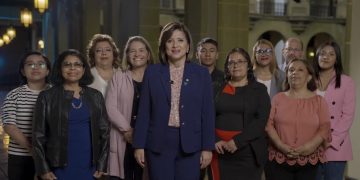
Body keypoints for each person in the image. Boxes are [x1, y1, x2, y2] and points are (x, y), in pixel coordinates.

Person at [132, 22, 215, 180]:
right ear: (164, 46)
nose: (175, 45)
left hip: (191, 144)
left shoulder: (202, 74)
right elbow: (144, 111)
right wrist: (139, 145)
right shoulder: (152, 72)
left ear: (188, 46)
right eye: (170, 41)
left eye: (180, 40)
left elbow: (207, 114)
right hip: (158, 143)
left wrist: (207, 148)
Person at [32, 49, 110, 180]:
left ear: (84, 69)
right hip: (59, 166)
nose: (72, 68)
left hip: (90, 165)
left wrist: (102, 164)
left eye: (77, 64)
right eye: (67, 64)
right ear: (60, 69)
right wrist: (43, 169)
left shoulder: (96, 96)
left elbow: (105, 133)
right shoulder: (47, 97)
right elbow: (38, 136)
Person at [265, 58, 331, 180]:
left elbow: (324, 128)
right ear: (287, 75)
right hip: (277, 160)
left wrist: (309, 147)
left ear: (309, 77)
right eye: (291, 70)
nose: (295, 73)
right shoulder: (277, 99)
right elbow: (268, 124)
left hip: (309, 162)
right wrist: (280, 146)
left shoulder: (319, 101)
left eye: (300, 70)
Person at [211, 47, 271, 180]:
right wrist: (214, 140)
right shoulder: (215, 87)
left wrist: (237, 142)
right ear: (227, 66)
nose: (235, 65)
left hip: (248, 151)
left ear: (248, 65)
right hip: (219, 152)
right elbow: (206, 117)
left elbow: (260, 121)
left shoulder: (259, 90)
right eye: (231, 62)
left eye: (240, 61)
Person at [106, 36, 154, 180]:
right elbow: (110, 107)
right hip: (123, 137)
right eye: (132, 51)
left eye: (141, 50)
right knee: (123, 174)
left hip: (149, 138)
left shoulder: (157, 77)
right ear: (127, 55)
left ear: (148, 54)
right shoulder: (118, 76)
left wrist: (140, 134)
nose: (137, 54)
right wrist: (127, 130)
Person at [1, 51, 51, 180]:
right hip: (20, 156)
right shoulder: (14, 95)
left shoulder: (56, 94)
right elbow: (9, 126)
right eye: (30, 64)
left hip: (50, 155)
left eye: (41, 64)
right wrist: (33, 150)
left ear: (48, 71)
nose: (35, 67)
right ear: (23, 71)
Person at [313, 41, 356, 180]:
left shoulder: (346, 82)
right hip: (310, 145)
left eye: (331, 54)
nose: (326, 57)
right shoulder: (309, 80)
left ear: (336, 59)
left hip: (335, 146)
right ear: (317, 56)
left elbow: (347, 115)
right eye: (322, 53)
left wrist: (330, 141)